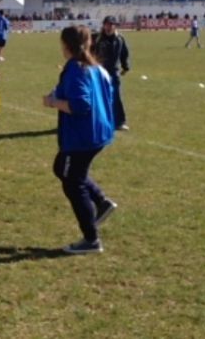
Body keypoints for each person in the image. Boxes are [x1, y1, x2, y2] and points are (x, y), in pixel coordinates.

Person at [43, 25, 117, 255]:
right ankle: (102, 202)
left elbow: (81, 105)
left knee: (72, 182)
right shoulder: (97, 68)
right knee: (63, 168)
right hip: (99, 132)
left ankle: (91, 238)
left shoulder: (76, 68)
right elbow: (106, 95)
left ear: (67, 45)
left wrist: (53, 102)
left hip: (83, 137)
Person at [93, 15, 130, 131]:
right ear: (103, 25)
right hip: (98, 72)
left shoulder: (120, 39)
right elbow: (87, 51)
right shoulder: (96, 38)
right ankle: (97, 121)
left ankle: (120, 122)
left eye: (111, 25)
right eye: (106, 24)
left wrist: (125, 66)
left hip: (114, 72)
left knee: (116, 97)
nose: (108, 27)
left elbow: (124, 54)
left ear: (115, 26)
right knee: (98, 97)